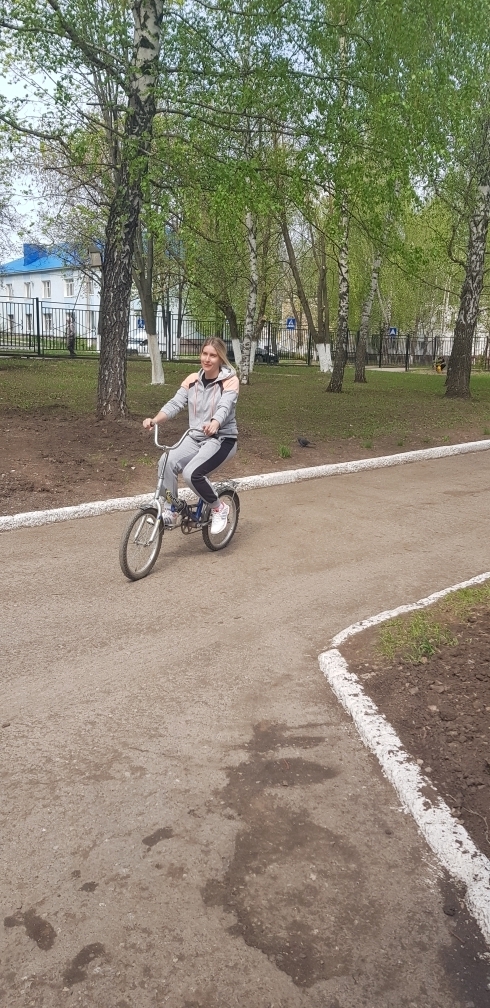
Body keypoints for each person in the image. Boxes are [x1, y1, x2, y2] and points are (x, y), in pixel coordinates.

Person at [143, 338, 239, 535]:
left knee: (191, 474)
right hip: (195, 437)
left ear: (221, 358)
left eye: (213, 355)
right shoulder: (192, 380)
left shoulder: (230, 381)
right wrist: (155, 420)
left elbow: (225, 406)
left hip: (221, 439)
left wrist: (215, 423)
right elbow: (175, 403)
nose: (207, 359)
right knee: (165, 462)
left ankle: (219, 508)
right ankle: (172, 509)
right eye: (205, 354)